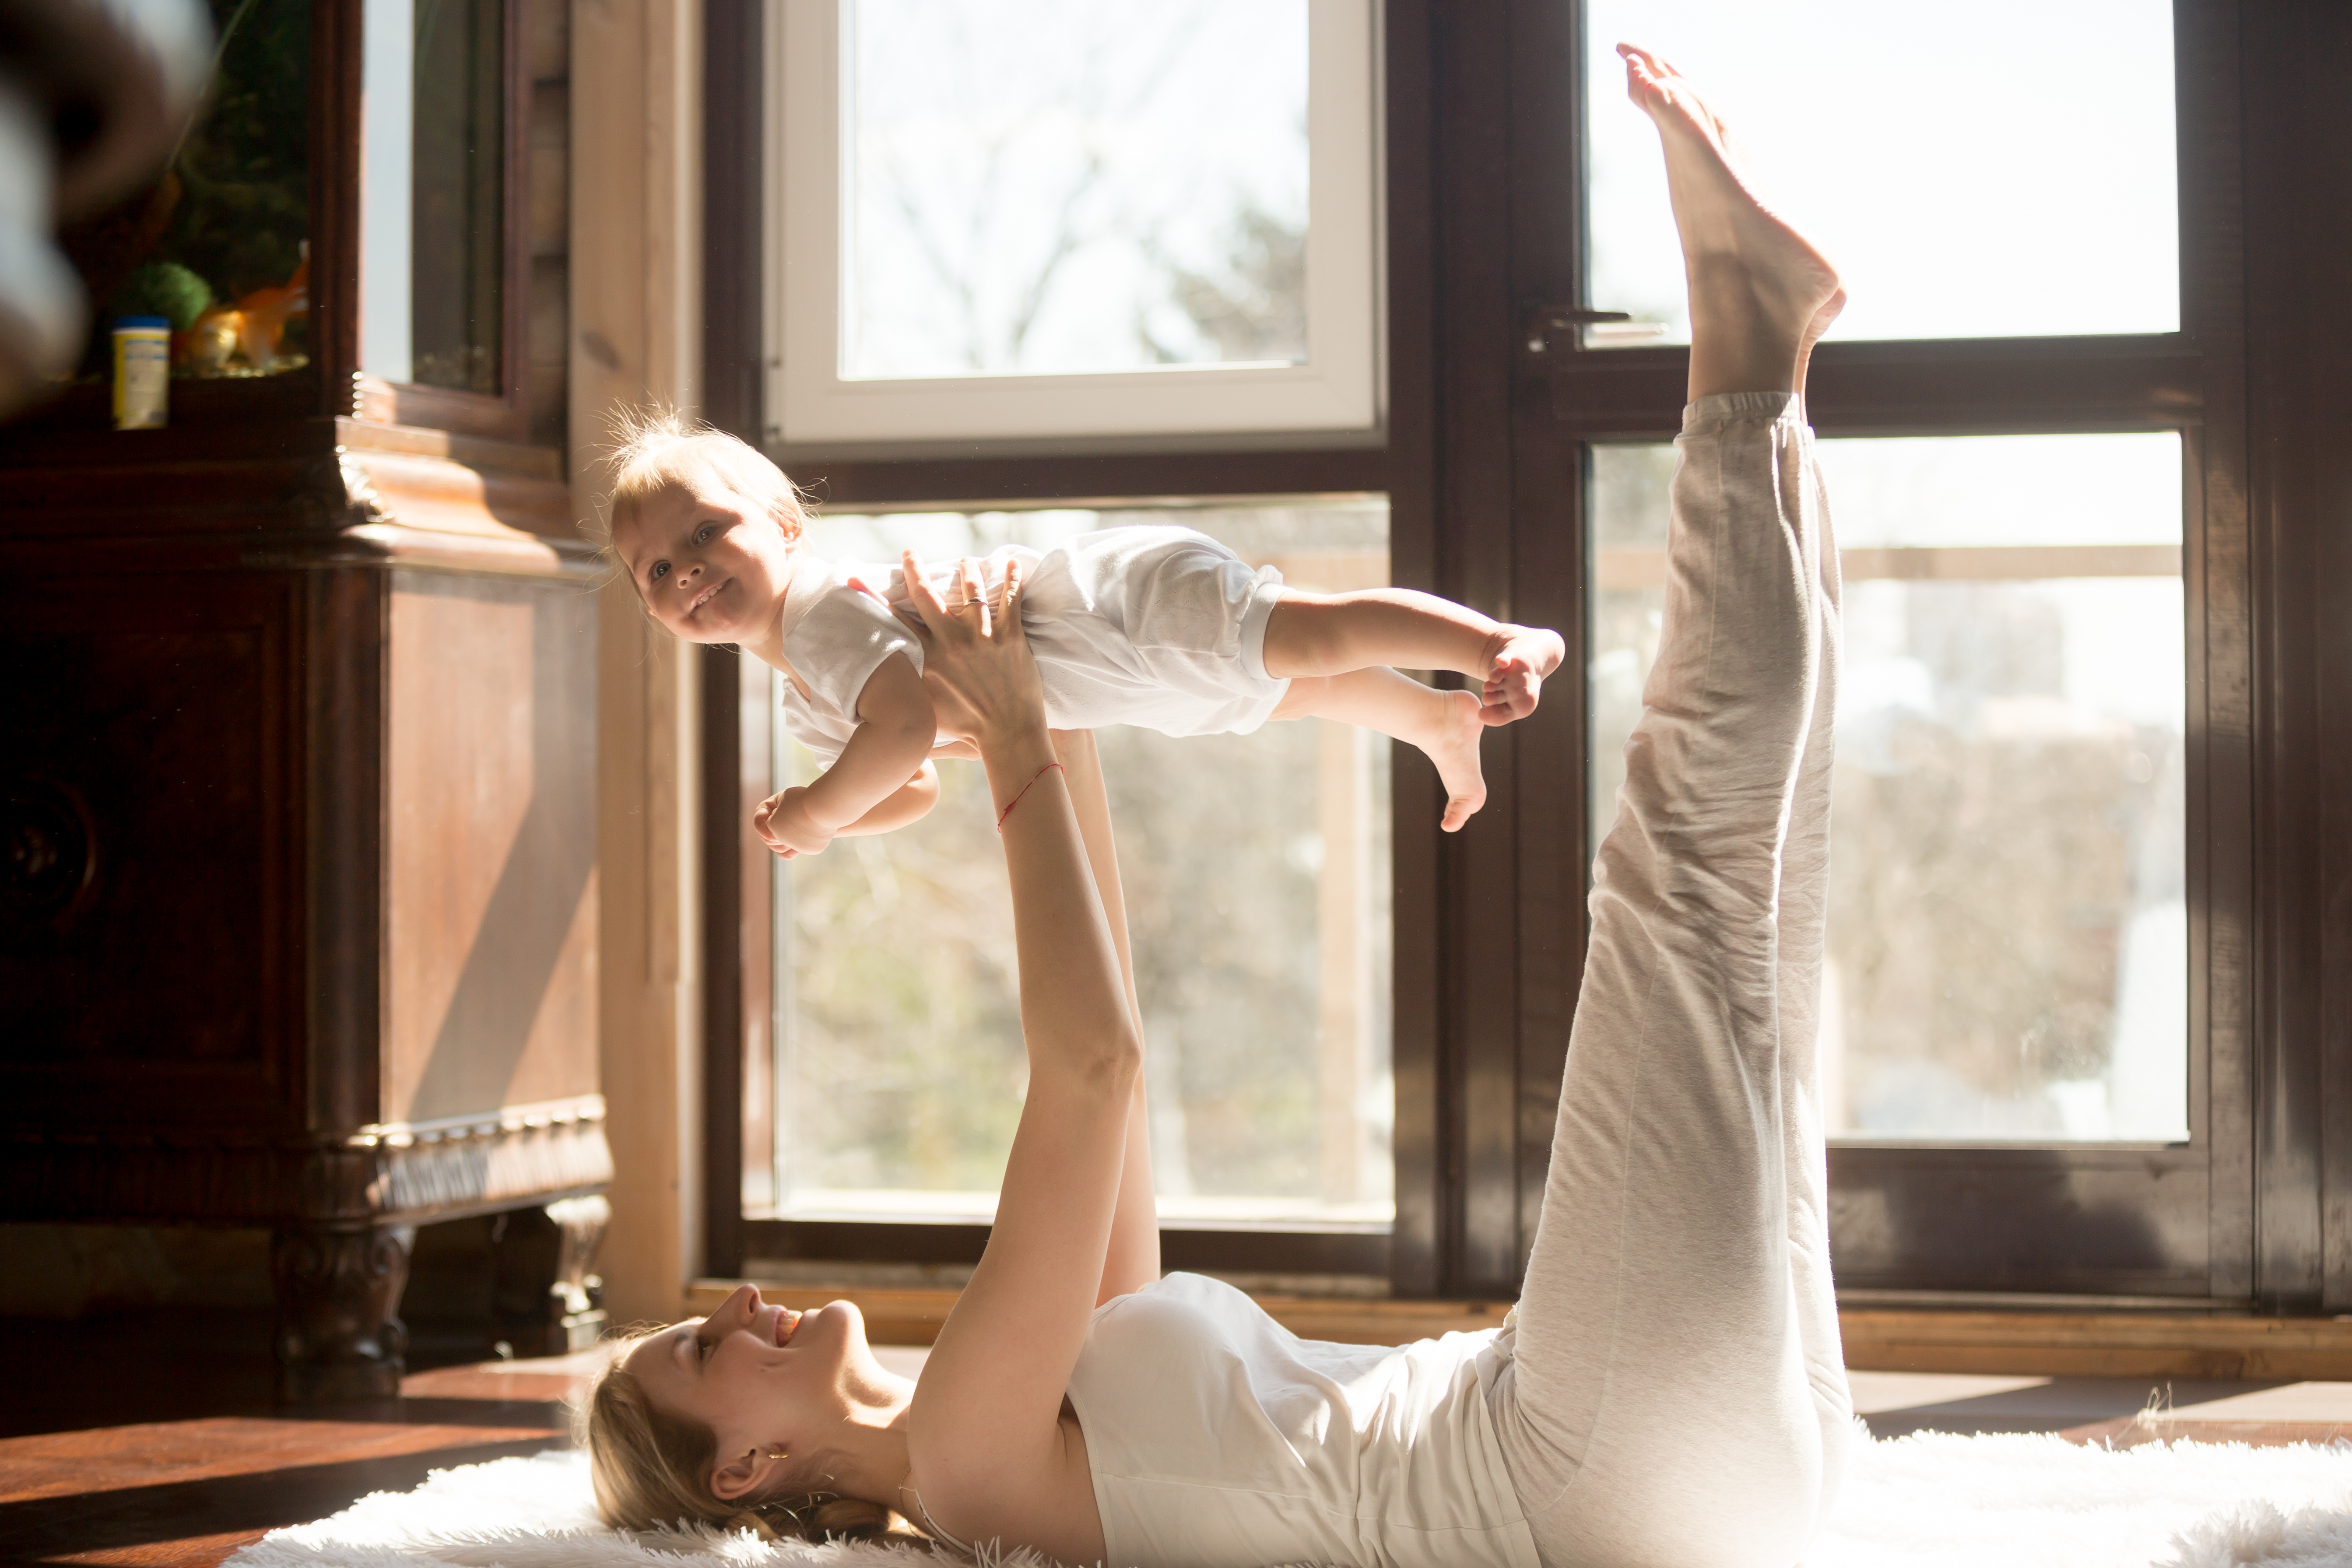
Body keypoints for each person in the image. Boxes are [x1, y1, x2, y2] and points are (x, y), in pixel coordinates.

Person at [584, 42, 1854, 1568]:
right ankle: (1746, 355)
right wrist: (1006, 743)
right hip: (1585, 1465)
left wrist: (1040, 723)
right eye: (704, 1355)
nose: (733, 1308)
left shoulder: (1024, 1391)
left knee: (1760, 925)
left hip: (1644, 1438)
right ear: (752, 1470)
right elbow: (1093, 1064)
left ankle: (1767, 386)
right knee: (1686, 894)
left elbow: (1116, 1060)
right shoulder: (969, 1471)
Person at [600, 424, 1565, 851]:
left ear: (783, 522)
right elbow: (918, 782)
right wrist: (832, 816)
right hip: (1110, 678)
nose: (684, 569)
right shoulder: (805, 691)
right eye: (654, 569)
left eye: (703, 532)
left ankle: (1495, 644)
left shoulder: (821, 616)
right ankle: (1436, 722)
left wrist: (816, 813)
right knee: (1289, 689)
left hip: (1113, 607)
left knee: (1310, 638)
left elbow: (898, 733)